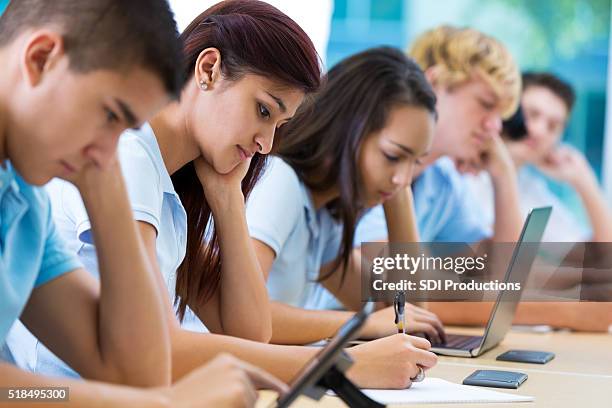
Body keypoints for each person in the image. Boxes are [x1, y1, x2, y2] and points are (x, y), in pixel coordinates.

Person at [25, 1, 431, 391]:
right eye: (263, 111)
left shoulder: (170, 185)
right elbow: (160, 348)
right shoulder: (129, 153)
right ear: (209, 69)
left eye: (279, 124)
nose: (267, 144)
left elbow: (250, 331)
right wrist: (343, 366)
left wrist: (227, 196)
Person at [0, 0, 288, 406]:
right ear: (42, 58)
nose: (109, 152)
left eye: (127, 128)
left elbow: (139, 373)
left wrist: (105, 187)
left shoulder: (25, 203)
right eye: (109, 115)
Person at [243, 46, 444, 363]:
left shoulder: (322, 213)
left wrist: (398, 195)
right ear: (347, 129)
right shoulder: (280, 182)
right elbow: (241, 316)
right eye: (392, 156)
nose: (402, 177)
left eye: (414, 162)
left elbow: (404, 312)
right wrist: (357, 323)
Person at [459, 72, 612, 332]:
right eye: (532, 115)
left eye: (553, 126)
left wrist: (584, 182)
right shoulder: (463, 177)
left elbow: (604, 255)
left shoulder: (533, 189)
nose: (539, 131)